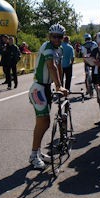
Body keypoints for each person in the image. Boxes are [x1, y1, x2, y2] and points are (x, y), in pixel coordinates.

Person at [28, 23, 68, 169]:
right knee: (44, 121)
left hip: (46, 89)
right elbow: (51, 66)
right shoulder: (47, 47)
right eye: (54, 36)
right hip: (38, 89)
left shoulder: (60, 48)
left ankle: (37, 152)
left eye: (60, 37)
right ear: (49, 36)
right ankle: (33, 155)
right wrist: (59, 86)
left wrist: (61, 85)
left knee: (44, 123)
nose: (57, 39)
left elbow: (59, 67)